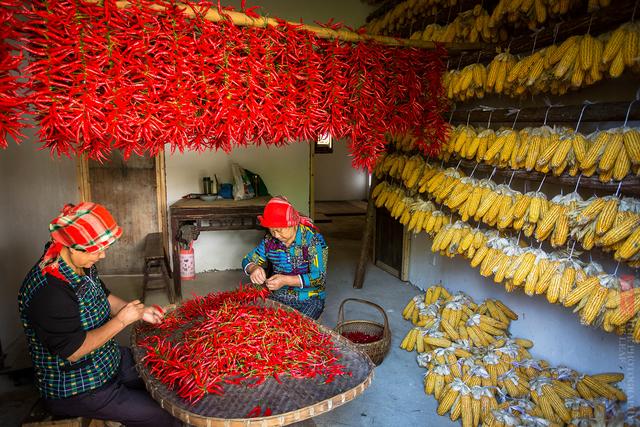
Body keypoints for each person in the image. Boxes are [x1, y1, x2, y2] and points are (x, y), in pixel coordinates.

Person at [18, 202, 180, 427]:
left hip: (108, 359)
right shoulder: (49, 291)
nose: (102, 255)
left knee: (168, 372)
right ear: (72, 247)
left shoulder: (79, 263)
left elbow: (103, 295)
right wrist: (123, 319)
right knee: (162, 416)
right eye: (96, 249)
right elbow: (74, 351)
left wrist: (140, 312)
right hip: (80, 388)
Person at [242, 196, 328, 320]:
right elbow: (247, 259)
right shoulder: (269, 241)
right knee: (258, 323)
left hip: (309, 298)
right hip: (279, 295)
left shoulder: (313, 240)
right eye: (272, 230)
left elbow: (319, 277)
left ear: (293, 224)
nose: (276, 235)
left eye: (279, 230)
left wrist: (285, 280)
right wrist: (253, 268)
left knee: (299, 329)